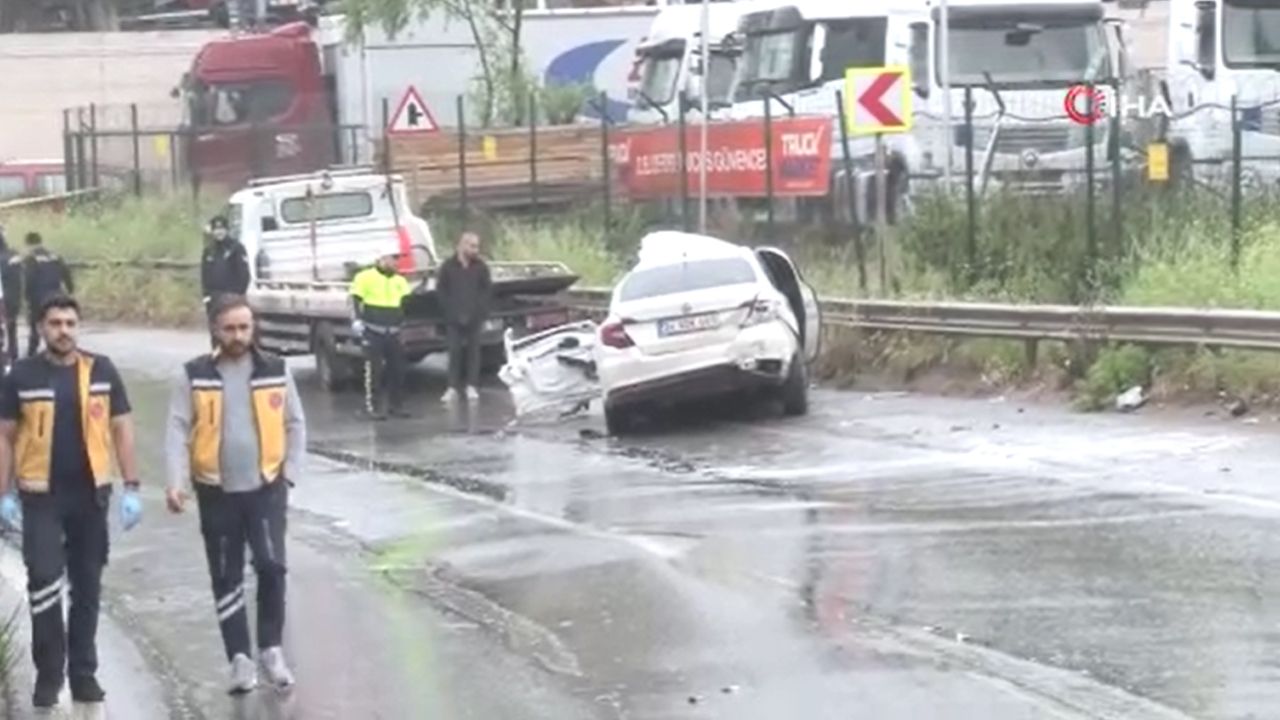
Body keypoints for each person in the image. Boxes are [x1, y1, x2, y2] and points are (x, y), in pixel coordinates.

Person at [0, 294, 142, 711]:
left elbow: (123, 429)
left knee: (88, 586)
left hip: (90, 496)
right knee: (44, 580)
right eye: (55, 323)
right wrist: (3, 492)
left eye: (70, 323)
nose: (64, 330)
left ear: (78, 327)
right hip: (40, 496)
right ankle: (48, 675)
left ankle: (84, 674)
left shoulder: (101, 371)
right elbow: (5, 436)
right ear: (42, 328)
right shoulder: (21, 375)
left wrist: (131, 486)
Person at [164, 294, 305, 694]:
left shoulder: (276, 370)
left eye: (245, 327)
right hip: (216, 490)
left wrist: (289, 473)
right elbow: (176, 430)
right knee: (226, 575)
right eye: (230, 328)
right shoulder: (194, 375)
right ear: (215, 329)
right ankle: (240, 659)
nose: (239, 335)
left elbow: (296, 424)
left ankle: (271, 649)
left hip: (266, 488)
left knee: (272, 566)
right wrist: (175, 481)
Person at [348, 251, 412, 419]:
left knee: (398, 370)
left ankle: (396, 405)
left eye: (397, 259)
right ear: (381, 259)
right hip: (373, 330)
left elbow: (406, 306)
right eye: (393, 259)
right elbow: (355, 300)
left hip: (394, 331)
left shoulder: (400, 281)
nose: (396, 263)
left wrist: (404, 325)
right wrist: (356, 320)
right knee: (374, 371)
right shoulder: (365, 277)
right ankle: (374, 407)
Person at [436, 231, 492, 403]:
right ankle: (452, 387)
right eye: (472, 246)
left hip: (474, 317)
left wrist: (480, 313)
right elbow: (441, 291)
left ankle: (472, 386)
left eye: (477, 246)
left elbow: (486, 291)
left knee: (474, 353)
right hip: (453, 317)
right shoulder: (448, 266)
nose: (476, 250)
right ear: (462, 245)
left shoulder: (481, 267)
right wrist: (450, 311)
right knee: (454, 352)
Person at [22, 232, 74, 358]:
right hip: (56, 296)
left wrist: (27, 297)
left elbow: (30, 279)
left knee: (36, 328)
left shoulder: (31, 259)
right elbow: (67, 275)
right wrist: (69, 290)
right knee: (56, 324)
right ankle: (59, 350)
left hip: (38, 298)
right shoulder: (55, 256)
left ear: (28, 244)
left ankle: (31, 355)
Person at [200, 215, 250, 319]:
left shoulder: (236, 248)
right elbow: (204, 275)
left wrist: (238, 295)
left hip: (232, 298)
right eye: (216, 229)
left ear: (227, 230)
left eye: (221, 229)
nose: (219, 232)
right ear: (212, 231)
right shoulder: (209, 251)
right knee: (216, 329)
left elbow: (244, 274)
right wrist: (206, 296)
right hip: (214, 299)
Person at [0, 225, 21, 363]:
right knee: (12, 325)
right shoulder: (14, 254)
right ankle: (14, 352)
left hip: (3, 296)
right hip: (14, 295)